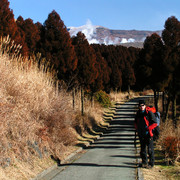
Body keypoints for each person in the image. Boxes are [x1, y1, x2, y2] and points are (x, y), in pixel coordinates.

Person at [135, 99, 157, 168]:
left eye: (143, 105)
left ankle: (151, 164)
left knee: (150, 150)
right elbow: (135, 122)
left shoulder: (149, 113)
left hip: (148, 134)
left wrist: (148, 128)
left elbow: (155, 123)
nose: (141, 107)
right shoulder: (138, 113)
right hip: (141, 134)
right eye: (140, 105)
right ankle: (144, 162)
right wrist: (137, 129)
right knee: (143, 150)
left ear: (145, 105)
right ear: (138, 106)